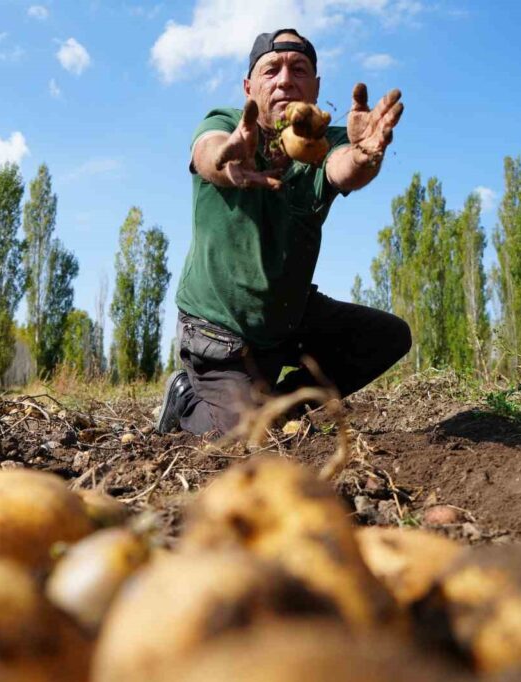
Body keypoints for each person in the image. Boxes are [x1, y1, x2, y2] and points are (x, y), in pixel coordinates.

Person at [155, 27, 412, 436]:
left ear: (316, 86)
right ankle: (187, 397)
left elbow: (342, 166)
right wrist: (226, 161)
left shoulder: (322, 141)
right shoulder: (226, 124)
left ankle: (277, 410)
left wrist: (365, 155)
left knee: (387, 336)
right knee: (238, 441)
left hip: (286, 319)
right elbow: (209, 150)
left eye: (299, 69)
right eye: (271, 69)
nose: (285, 79)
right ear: (248, 86)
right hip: (220, 332)